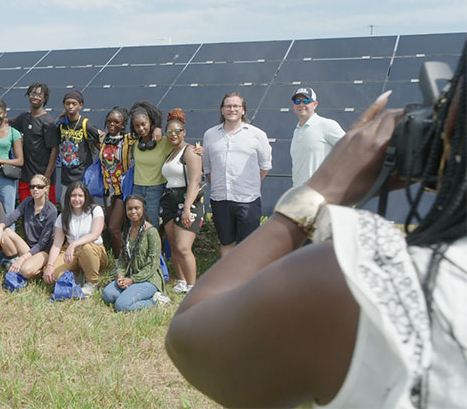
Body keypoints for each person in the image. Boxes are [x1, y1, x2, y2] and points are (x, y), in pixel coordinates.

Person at [165, 48, 467, 408]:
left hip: (306, 208)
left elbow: (188, 341)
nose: (300, 103)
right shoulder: (281, 131)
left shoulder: (353, 281)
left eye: (305, 99)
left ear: (447, 124)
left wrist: (321, 190)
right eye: (296, 99)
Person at [202, 92, 272, 256]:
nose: (231, 109)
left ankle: (248, 280)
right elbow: (207, 167)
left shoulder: (257, 135)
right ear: (222, 110)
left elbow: (265, 165)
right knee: (226, 243)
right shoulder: (210, 135)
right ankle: (229, 280)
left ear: (243, 110)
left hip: (248, 200)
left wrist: (250, 184)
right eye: (228, 106)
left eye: (236, 106)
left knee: (248, 245)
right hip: (220, 199)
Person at [160, 109, 205, 294]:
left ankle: (192, 286)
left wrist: (187, 207)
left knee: (183, 247)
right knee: (173, 246)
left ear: (184, 132)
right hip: (169, 200)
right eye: (169, 131)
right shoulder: (170, 153)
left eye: (177, 131)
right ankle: (181, 281)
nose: (173, 134)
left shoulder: (190, 151)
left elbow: (195, 180)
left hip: (187, 200)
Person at [102, 195, 165, 311]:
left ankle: (155, 300)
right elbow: (122, 259)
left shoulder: (151, 232)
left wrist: (132, 280)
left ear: (143, 209)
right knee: (108, 295)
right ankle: (130, 293)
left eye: (137, 208)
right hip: (130, 276)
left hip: (148, 279)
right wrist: (121, 275)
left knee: (121, 305)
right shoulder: (128, 231)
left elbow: (152, 265)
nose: (133, 212)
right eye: (129, 209)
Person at [43, 181, 107, 296]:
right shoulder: (63, 216)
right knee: (53, 276)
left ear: (86, 197)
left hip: (93, 250)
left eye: (80, 196)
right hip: (70, 253)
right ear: (68, 197)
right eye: (73, 195)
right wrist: (50, 265)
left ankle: (92, 282)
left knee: (87, 248)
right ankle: (77, 275)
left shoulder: (95, 210)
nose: (76, 199)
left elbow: (95, 235)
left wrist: (74, 244)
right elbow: (57, 244)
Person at [0, 174, 58, 279]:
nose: (35, 189)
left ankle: (35, 268)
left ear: (46, 189)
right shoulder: (27, 202)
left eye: (39, 187)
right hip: (27, 247)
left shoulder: (52, 211)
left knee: (26, 271)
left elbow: (43, 243)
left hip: (43, 251)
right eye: (32, 187)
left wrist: (23, 258)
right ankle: (14, 262)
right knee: (4, 231)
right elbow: (11, 218)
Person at [10, 83, 59, 204]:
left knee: (44, 215)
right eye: (32, 94)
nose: (35, 97)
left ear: (45, 98)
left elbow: (55, 150)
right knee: (26, 212)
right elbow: (3, 122)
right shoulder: (24, 118)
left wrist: (46, 177)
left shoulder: (48, 122)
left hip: (43, 178)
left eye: (39, 94)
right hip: (26, 178)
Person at [98, 106, 136, 260]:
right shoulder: (102, 139)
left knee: (114, 228)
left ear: (123, 124)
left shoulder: (129, 140)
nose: (112, 124)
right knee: (111, 228)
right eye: (109, 121)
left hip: (123, 191)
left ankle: (123, 262)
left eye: (116, 122)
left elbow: (149, 133)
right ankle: (116, 262)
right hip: (108, 191)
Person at [289, 87, 345, 186]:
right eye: (297, 101)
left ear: (315, 104)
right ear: (293, 105)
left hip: (321, 194)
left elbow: (351, 150)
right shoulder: (297, 131)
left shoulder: (326, 125)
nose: (301, 104)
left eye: (306, 100)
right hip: (299, 193)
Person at [130, 101, 171, 227]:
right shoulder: (136, 145)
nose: (141, 129)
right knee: (136, 223)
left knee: (152, 223)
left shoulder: (163, 142)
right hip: (137, 188)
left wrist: (198, 150)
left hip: (156, 189)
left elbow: (182, 146)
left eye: (143, 124)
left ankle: (154, 247)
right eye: (137, 126)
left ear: (150, 122)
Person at [57, 90, 100, 204]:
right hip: (66, 178)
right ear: (63, 104)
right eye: (68, 103)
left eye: (74, 103)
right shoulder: (61, 124)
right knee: (66, 209)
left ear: (80, 105)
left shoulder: (86, 125)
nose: (70, 106)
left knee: (85, 209)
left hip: (83, 178)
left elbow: (101, 145)